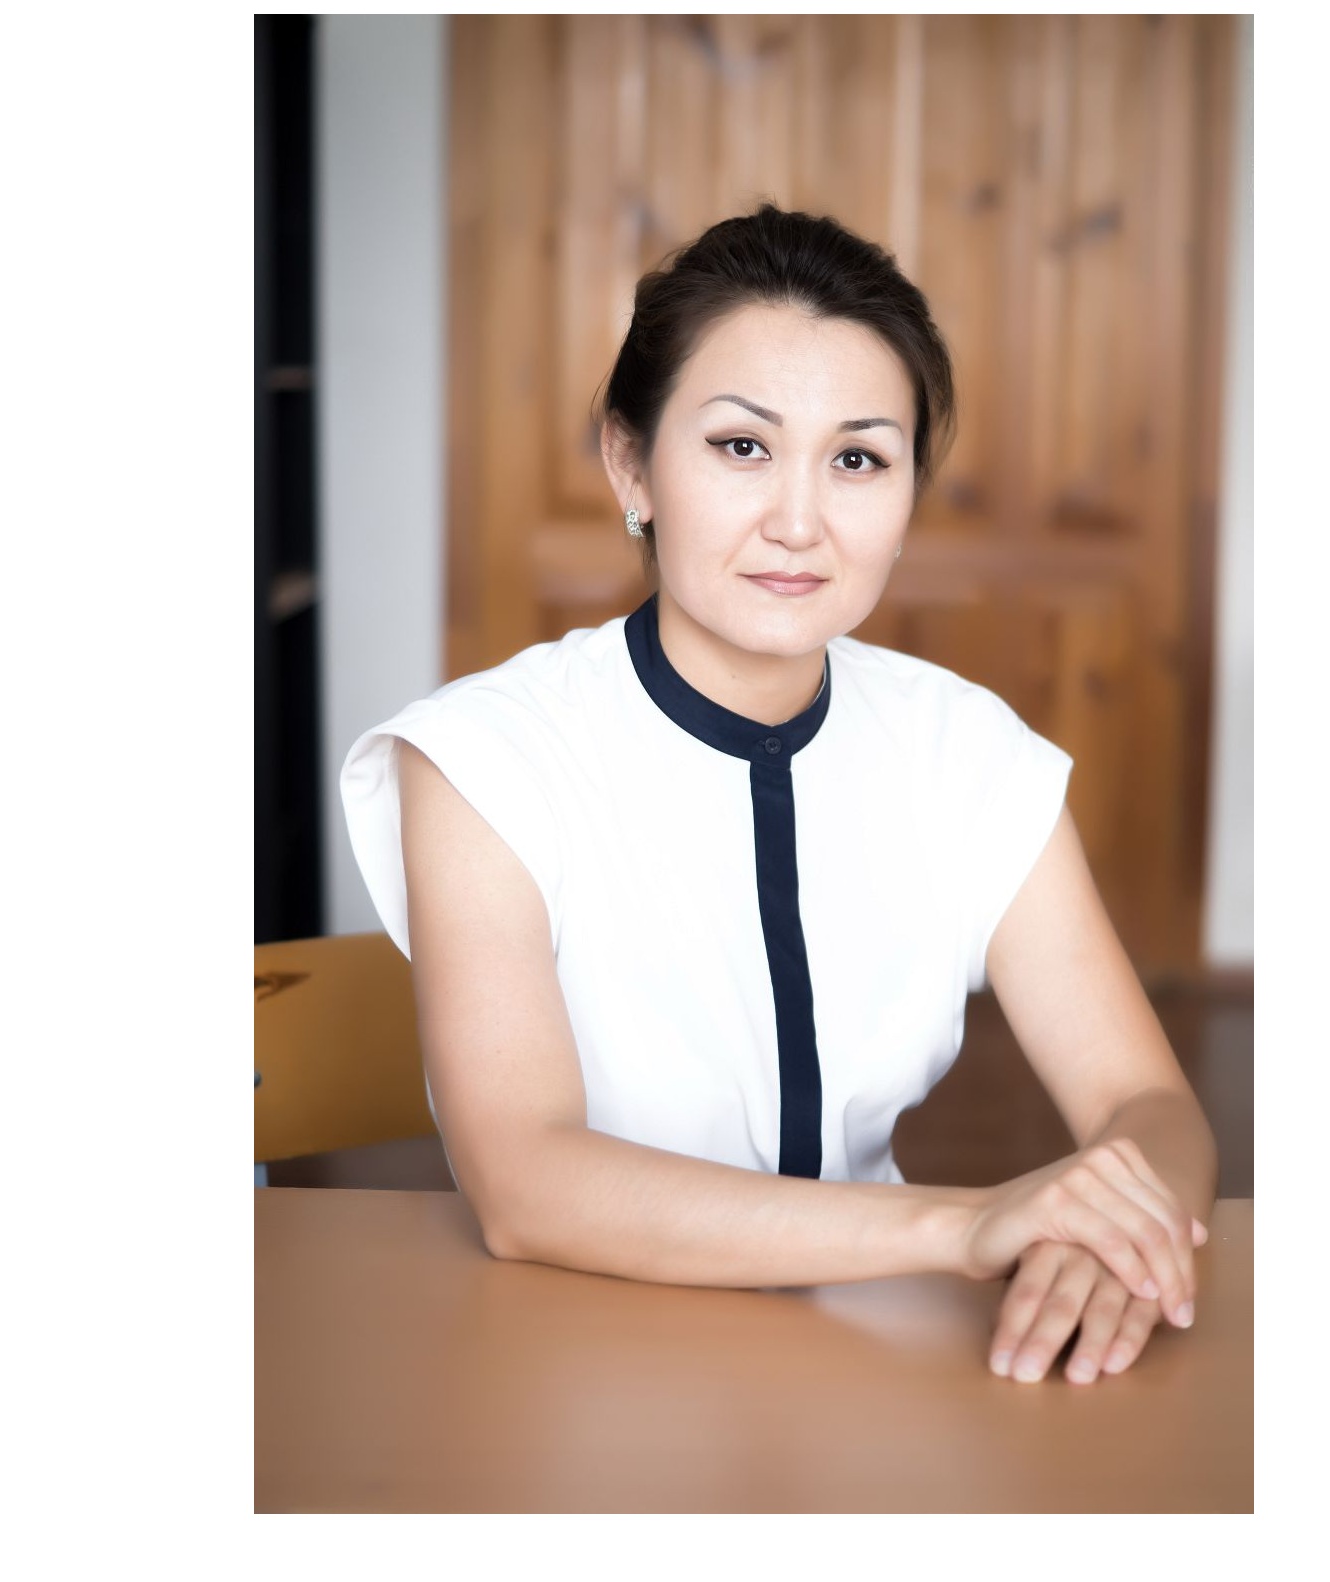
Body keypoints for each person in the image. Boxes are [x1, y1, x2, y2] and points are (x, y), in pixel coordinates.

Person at [340, 204, 1217, 1389]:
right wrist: (967, 1225)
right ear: (631, 464)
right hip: (576, 1365)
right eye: (742, 446)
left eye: (858, 459)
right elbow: (524, 1182)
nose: (799, 523)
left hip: (888, 1363)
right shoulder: (484, 758)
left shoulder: (966, 752)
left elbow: (1146, 1098)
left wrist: (1116, 1228)